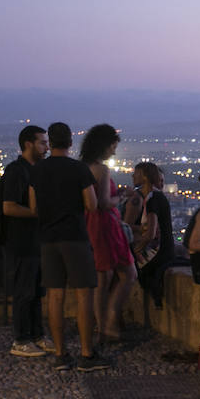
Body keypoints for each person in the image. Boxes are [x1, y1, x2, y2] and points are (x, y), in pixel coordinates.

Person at [29, 122, 107, 372]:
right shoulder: (78, 169)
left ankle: (61, 354)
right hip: (74, 237)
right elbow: (92, 204)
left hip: (48, 238)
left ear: (50, 143)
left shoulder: (38, 170)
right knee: (84, 294)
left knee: (54, 296)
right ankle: (86, 353)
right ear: (71, 142)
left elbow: (33, 207)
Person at [80, 124, 136, 342]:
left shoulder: (83, 167)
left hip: (90, 226)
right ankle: (109, 323)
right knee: (128, 274)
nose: (114, 151)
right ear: (104, 146)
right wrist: (121, 198)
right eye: (113, 147)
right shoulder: (101, 170)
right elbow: (103, 203)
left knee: (102, 279)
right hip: (105, 227)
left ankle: (102, 326)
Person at [0, 125, 50, 357]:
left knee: (36, 291)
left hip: (37, 241)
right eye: (42, 142)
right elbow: (8, 207)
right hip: (22, 241)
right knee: (23, 291)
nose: (46, 146)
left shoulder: (37, 169)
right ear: (28, 144)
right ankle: (21, 339)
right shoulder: (16, 171)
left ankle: (37, 335)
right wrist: (37, 213)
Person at [123, 161, 173, 309]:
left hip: (159, 252)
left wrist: (139, 248)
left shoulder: (151, 199)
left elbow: (150, 233)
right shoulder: (154, 197)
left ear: (144, 177)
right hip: (165, 250)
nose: (132, 176)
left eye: (136, 173)